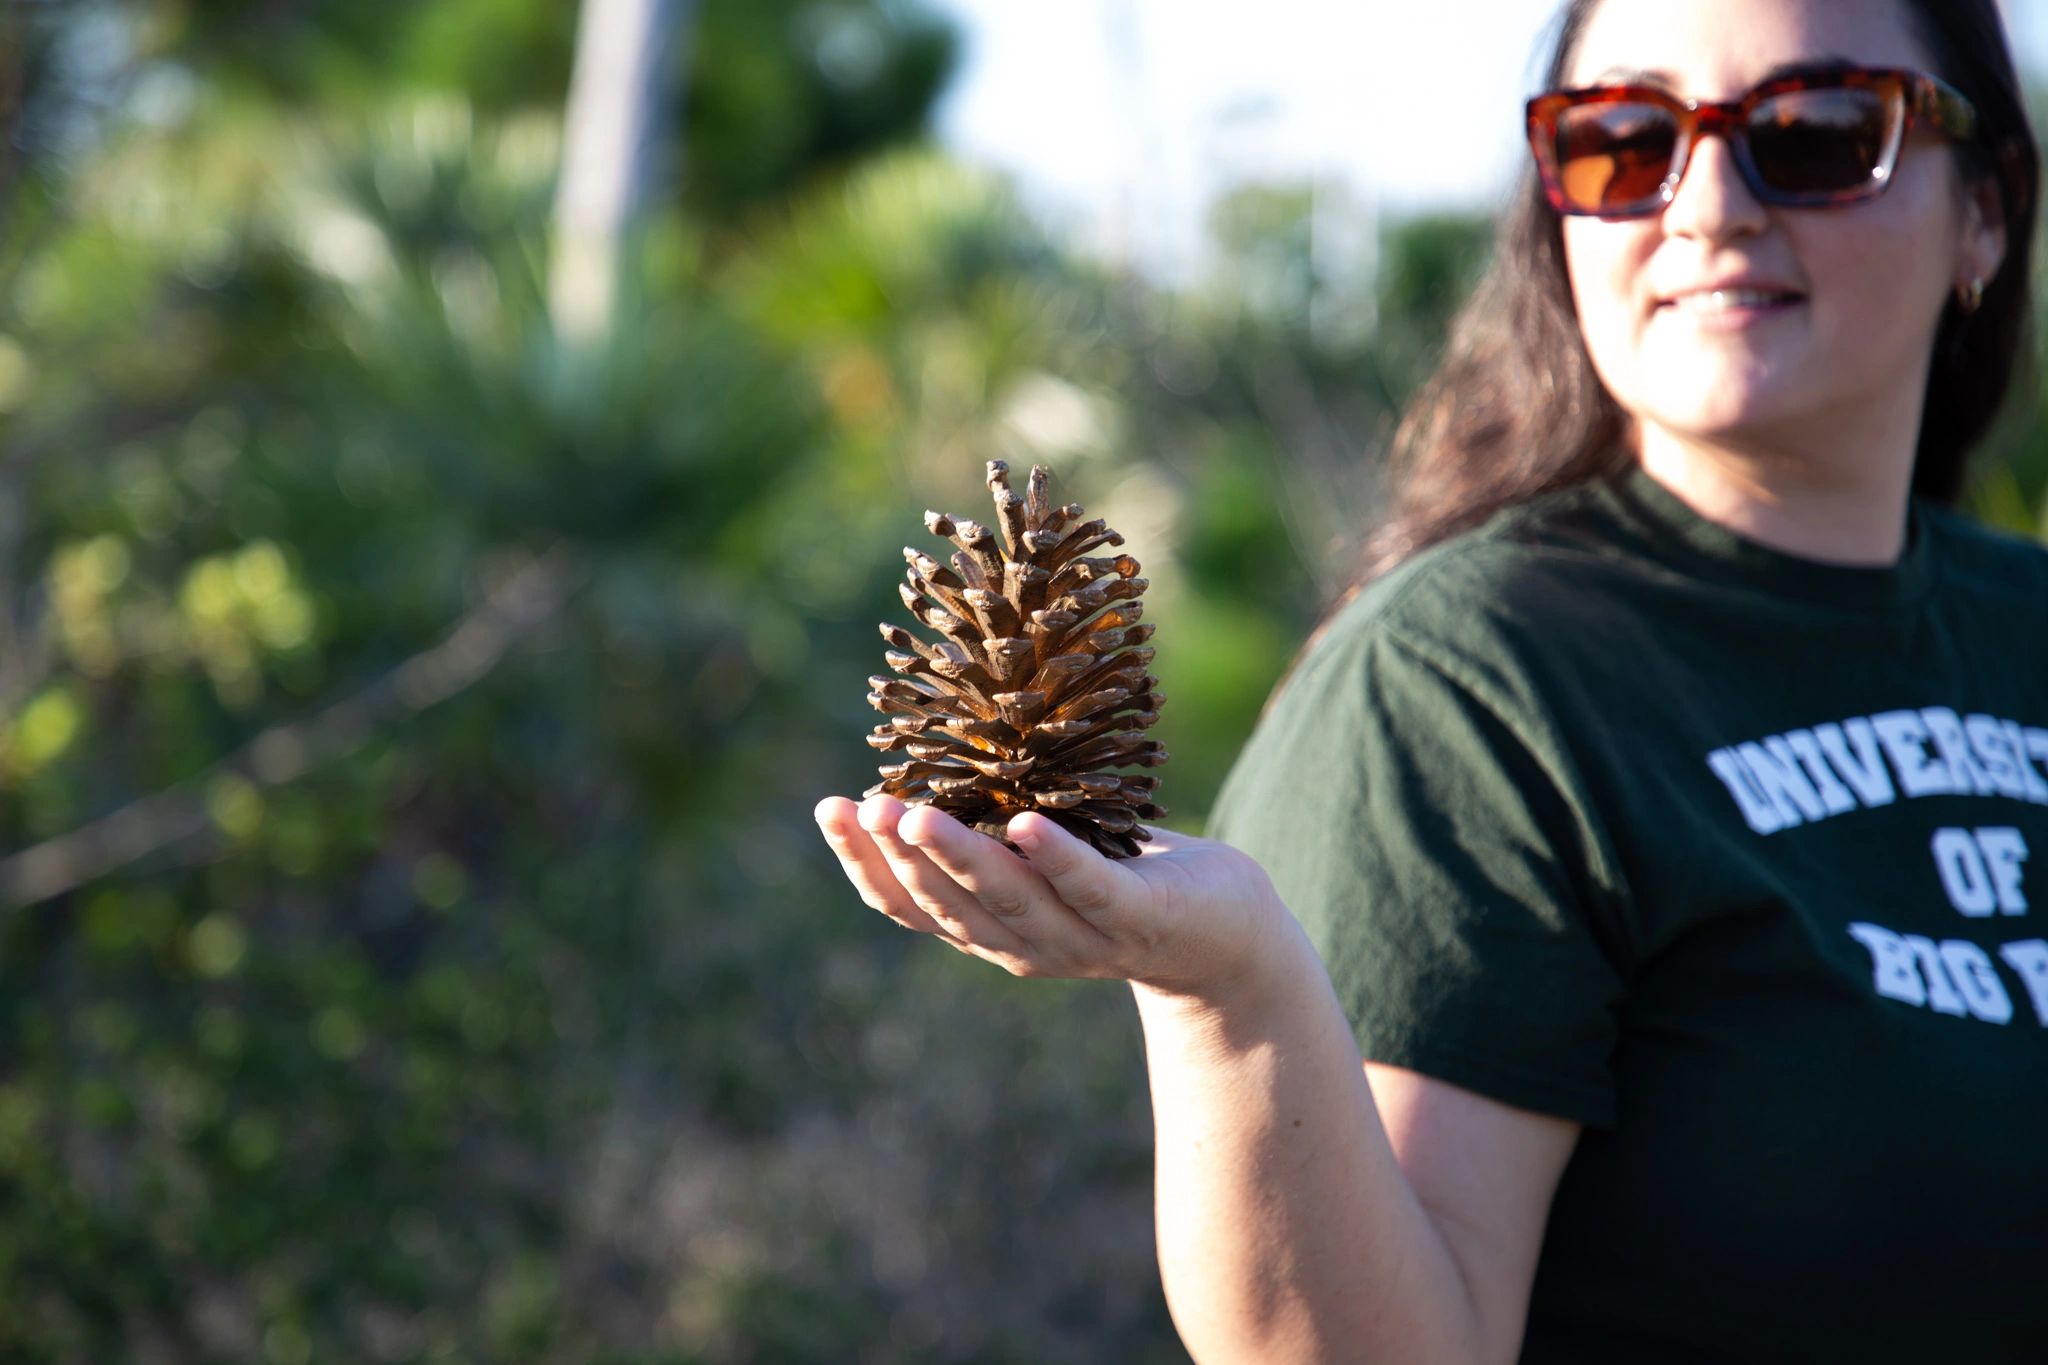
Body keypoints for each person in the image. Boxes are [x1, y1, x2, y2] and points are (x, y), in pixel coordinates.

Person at [815, 0, 2048, 1358]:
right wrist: (1236, 989)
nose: (1704, 203)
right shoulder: (1468, 685)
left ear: (1985, 210)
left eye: (1817, 132)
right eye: (1621, 139)